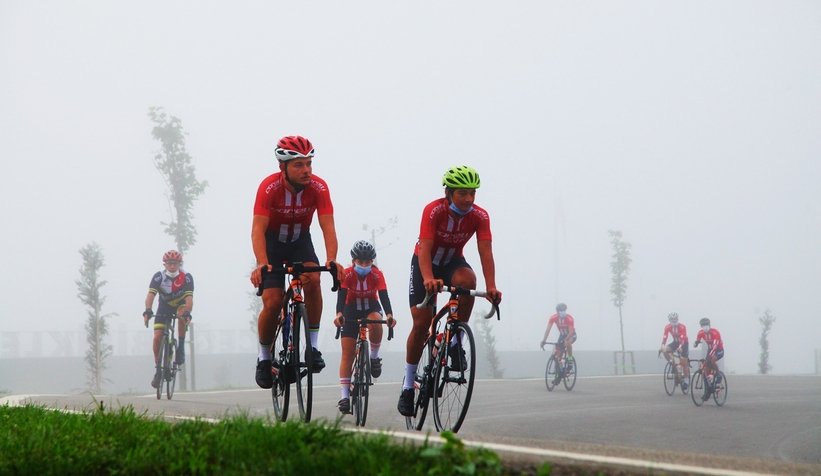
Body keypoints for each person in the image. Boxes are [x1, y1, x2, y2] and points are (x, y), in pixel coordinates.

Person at [397, 165, 502, 417]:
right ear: (449, 193)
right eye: (462, 193)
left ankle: (455, 341)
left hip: (452, 262)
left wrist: (491, 286)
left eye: (472, 193)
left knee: (468, 280)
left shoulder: (480, 216)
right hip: (425, 263)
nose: (468, 199)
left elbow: (485, 251)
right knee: (421, 323)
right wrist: (428, 279)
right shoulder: (433, 210)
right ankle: (408, 386)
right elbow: (425, 248)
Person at [249, 135, 342, 389]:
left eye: (309, 163)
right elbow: (257, 230)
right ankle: (264, 357)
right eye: (299, 165)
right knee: (273, 301)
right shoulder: (269, 188)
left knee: (313, 278)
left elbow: (328, 226)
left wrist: (331, 259)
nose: (306, 170)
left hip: (300, 240)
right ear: (283, 167)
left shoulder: (319, 188)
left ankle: (313, 347)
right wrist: (262, 263)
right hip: (272, 244)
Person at [333, 240, 396, 414]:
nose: (364, 265)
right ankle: (344, 396)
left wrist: (389, 315)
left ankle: (374, 358)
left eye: (367, 261)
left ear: (372, 261)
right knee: (348, 353)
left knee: (376, 320)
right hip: (350, 309)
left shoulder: (377, 275)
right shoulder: (347, 274)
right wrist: (339, 314)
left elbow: (383, 295)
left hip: (371, 307)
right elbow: (341, 295)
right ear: (353, 261)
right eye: (360, 261)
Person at [142, 250, 193, 389]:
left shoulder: (186, 277)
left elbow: (189, 299)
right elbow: (150, 295)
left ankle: (180, 346)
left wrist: (188, 312)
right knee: (157, 337)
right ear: (164, 264)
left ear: (179, 264)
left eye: (175, 263)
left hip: (180, 305)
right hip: (164, 307)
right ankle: (158, 369)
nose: (172, 266)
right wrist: (148, 310)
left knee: (182, 314)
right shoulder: (159, 277)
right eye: (169, 263)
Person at [539, 302, 577, 385]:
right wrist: (544, 340)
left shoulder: (569, 318)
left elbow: (571, 332)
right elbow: (548, 330)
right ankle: (559, 374)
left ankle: (570, 359)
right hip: (562, 335)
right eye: (561, 310)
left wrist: (566, 339)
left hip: (571, 335)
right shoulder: (553, 318)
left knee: (567, 343)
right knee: (558, 355)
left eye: (564, 310)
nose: (563, 312)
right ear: (557, 311)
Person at [693, 317, 724, 401]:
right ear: (701, 326)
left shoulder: (715, 332)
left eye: (706, 325)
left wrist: (710, 355)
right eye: (703, 325)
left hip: (718, 350)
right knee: (705, 368)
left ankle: (718, 375)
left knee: (712, 359)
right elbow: (698, 340)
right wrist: (696, 343)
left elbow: (715, 345)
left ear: (709, 325)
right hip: (710, 349)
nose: (705, 327)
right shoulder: (700, 333)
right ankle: (708, 390)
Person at [659, 312, 690, 392]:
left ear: (677, 319)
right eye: (672, 320)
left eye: (675, 319)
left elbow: (683, 337)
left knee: (684, 362)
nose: (674, 321)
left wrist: (680, 347)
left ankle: (686, 380)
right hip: (675, 342)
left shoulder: (682, 327)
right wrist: (662, 345)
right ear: (669, 320)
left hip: (684, 343)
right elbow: (665, 336)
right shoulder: (668, 327)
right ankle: (672, 363)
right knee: (665, 350)